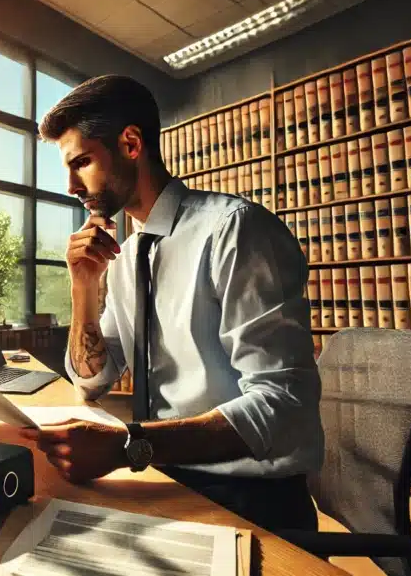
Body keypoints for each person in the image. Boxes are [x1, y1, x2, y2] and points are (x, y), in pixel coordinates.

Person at [19, 75, 324, 532]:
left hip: (249, 498)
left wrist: (128, 444)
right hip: (167, 474)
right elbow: (94, 380)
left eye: (81, 162)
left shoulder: (233, 231)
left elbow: (283, 406)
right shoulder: (125, 259)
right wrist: (84, 288)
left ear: (130, 143)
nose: (70, 185)